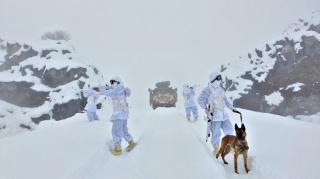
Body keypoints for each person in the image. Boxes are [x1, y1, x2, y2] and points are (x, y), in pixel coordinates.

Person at [197, 71, 239, 155]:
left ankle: (229, 146)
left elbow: (225, 100)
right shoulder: (207, 89)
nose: (220, 80)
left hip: (223, 114)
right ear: (214, 79)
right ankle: (216, 148)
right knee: (216, 132)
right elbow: (200, 99)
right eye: (219, 78)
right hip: (215, 115)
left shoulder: (221, 89)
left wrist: (231, 107)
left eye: (220, 78)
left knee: (229, 128)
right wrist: (206, 108)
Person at [100, 76, 136, 156]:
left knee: (115, 131)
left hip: (119, 114)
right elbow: (108, 88)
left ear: (116, 82)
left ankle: (117, 148)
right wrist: (99, 88)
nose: (111, 84)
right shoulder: (120, 88)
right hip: (123, 113)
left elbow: (109, 93)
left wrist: (100, 90)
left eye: (112, 82)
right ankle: (131, 142)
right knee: (123, 129)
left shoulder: (118, 88)